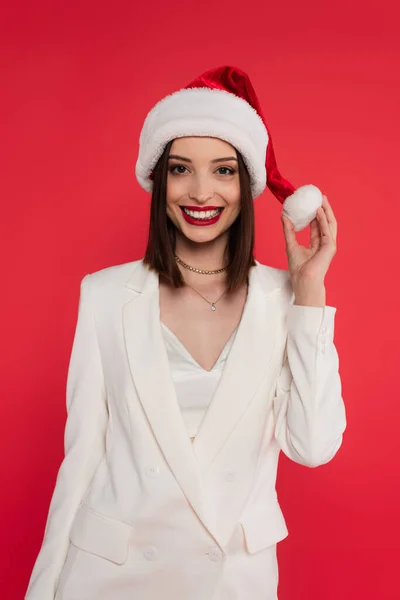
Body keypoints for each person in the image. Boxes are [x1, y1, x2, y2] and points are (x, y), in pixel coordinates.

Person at [25, 65, 347, 600]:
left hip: (230, 581)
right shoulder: (105, 295)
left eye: (223, 170)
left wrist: (310, 290)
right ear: (160, 180)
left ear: (246, 184)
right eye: (181, 169)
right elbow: (80, 457)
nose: (201, 191)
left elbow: (311, 447)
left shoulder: (283, 298)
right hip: (110, 576)